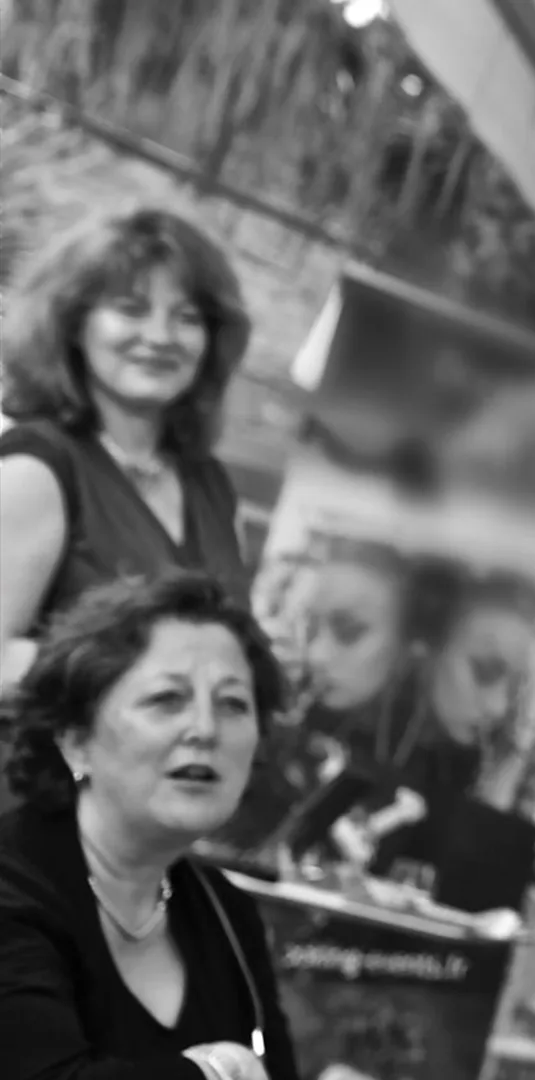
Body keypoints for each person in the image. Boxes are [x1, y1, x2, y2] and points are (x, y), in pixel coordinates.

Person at [0, 572, 298, 1080]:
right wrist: (212, 1074)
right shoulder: (11, 885)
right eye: (166, 699)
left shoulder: (228, 913)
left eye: (232, 704)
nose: (205, 730)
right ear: (74, 737)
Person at [0, 208, 254, 660]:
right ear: (74, 325)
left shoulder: (212, 485)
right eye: (131, 310)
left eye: (187, 318)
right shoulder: (36, 470)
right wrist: (127, 682)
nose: (160, 336)